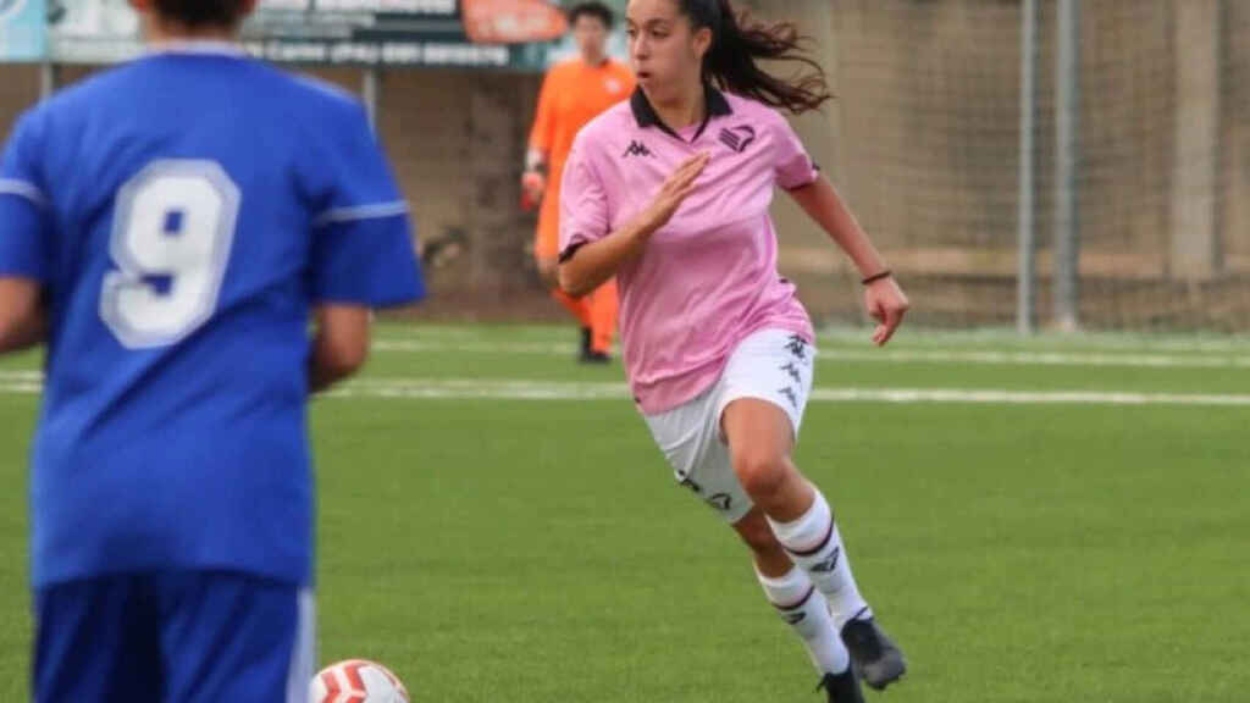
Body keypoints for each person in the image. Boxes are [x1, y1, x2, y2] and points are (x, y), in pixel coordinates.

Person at [0, 0, 424, 697]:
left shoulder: (54, 126)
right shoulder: (324, 120)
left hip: (89, 499)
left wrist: (92, 326)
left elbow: (10, 312)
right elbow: (346, 344)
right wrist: (242, 378)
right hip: (237, 497)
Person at [557, 0, 909, 699]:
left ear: (700, 39)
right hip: (666, 380)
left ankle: (857, 616)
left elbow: (808, 181)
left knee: (761, 464)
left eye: (657, 32)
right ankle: (836, 671)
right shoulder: (601, 144)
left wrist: (875, 272)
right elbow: (574, 274)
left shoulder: (754, 126)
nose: (641, 48)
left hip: (760, 323)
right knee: (761, 537)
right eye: (634, 33)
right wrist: (646, 222)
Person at [523, 1, 634, 363]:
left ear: (608, 33)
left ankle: (600, 344)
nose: (589, 36)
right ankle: (591, 325)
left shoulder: (624, 79)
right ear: (574, 33)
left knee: (600, 267)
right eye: (583, 28)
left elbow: (639, 131)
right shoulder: (559, 75)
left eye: (596, 29)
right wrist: (533, 168)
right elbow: (543, 127)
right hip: (560, 185)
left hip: (608, 186)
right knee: (549, 267)